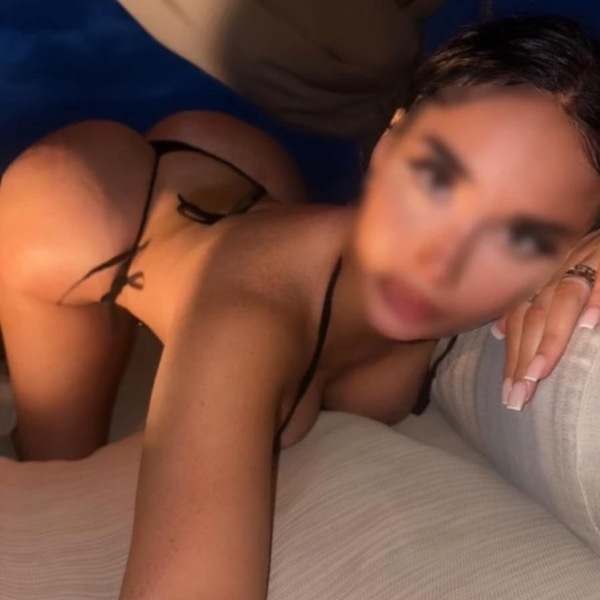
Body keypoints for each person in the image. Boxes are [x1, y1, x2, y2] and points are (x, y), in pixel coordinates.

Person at [1, 14, 600, 600]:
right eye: (436, 179)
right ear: (388, 140)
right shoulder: (245, 323)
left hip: (239, 176)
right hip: (83, 214)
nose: (439, 262)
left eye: (519, 237)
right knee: (61, 462)